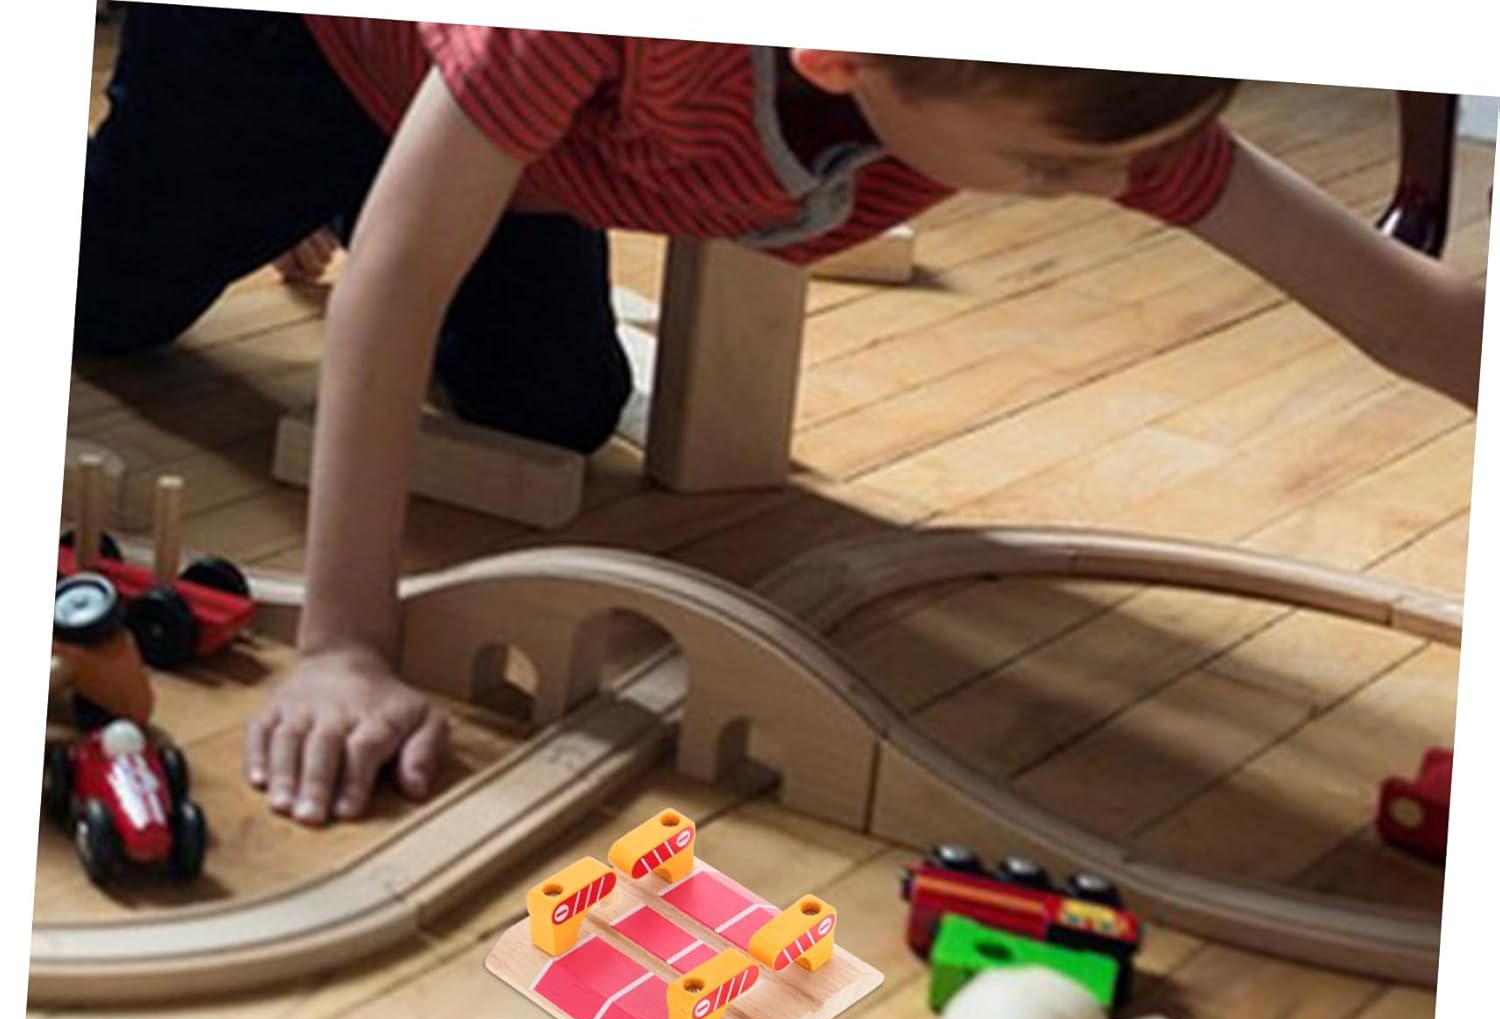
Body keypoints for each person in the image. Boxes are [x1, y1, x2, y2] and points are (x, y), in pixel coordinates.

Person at [74, 10, 1486, 825]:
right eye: (1053, 173)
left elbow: (1419, 319)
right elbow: (396, 278)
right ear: (837, 55)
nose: (1111, 192)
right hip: (304, 57)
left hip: (509, 153)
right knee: (103, 305)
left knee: (556, 408)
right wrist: (344, 645)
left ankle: (397, 182)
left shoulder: (1063, 88)